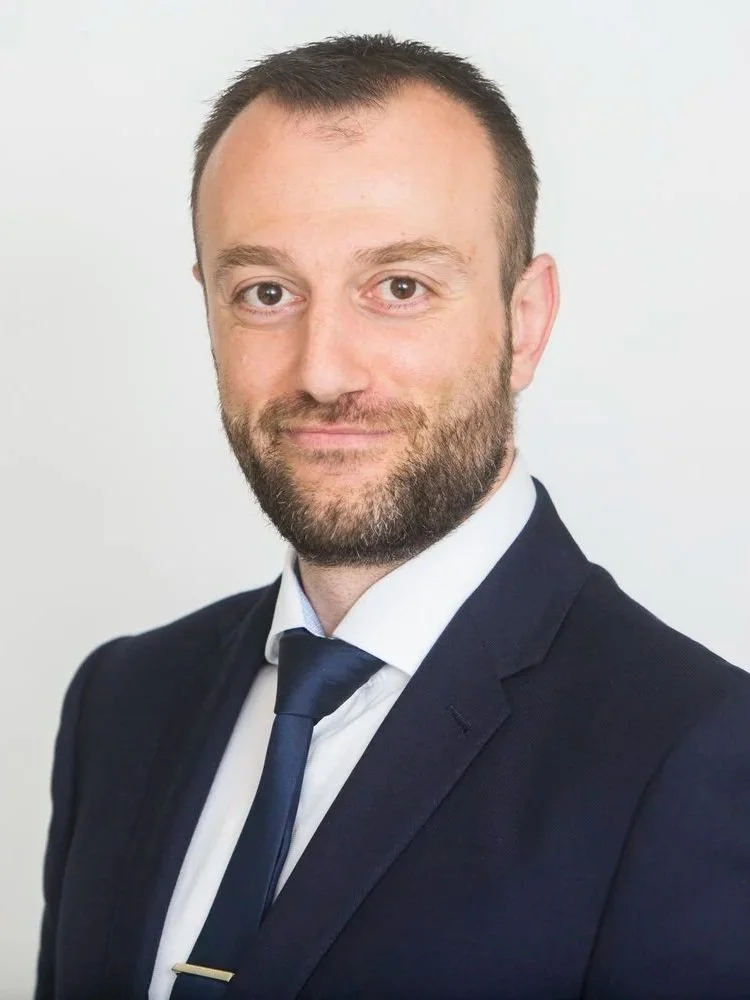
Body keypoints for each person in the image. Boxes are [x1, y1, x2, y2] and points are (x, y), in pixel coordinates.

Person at [35, 32, 750, 1000]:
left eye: (401, 287)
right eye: (267, 292)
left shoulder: (703, 754)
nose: (324, 370)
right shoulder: (120, 703)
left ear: (524, 321)